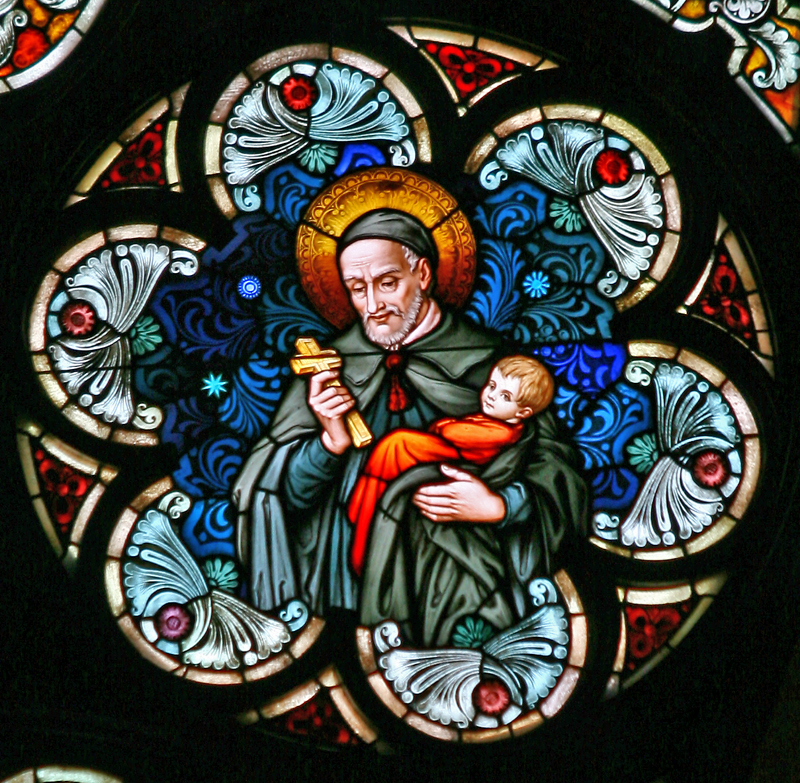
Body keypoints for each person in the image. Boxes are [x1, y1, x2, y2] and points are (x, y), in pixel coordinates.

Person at [232, 208, 588, 645]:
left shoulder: (495, 369)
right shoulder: (327, 369)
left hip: (466, 589)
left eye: (386, 282)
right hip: (352, 595)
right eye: (357, 289)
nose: (373, 305)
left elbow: (560, 477)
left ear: (422, 273)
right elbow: (276, 498)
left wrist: (500, 506)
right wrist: (330, 442)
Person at [347, 355, 554, 577]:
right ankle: (364, 504)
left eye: (505, 396)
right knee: (393, 447)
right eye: (492, 386)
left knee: (397, 445)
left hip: (450, 456)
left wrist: (445, 426)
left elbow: (453, 433)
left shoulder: (502, 432)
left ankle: (363, 510)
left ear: (523, 413)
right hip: (446, 452)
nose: (491, 396)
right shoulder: (494, 422)